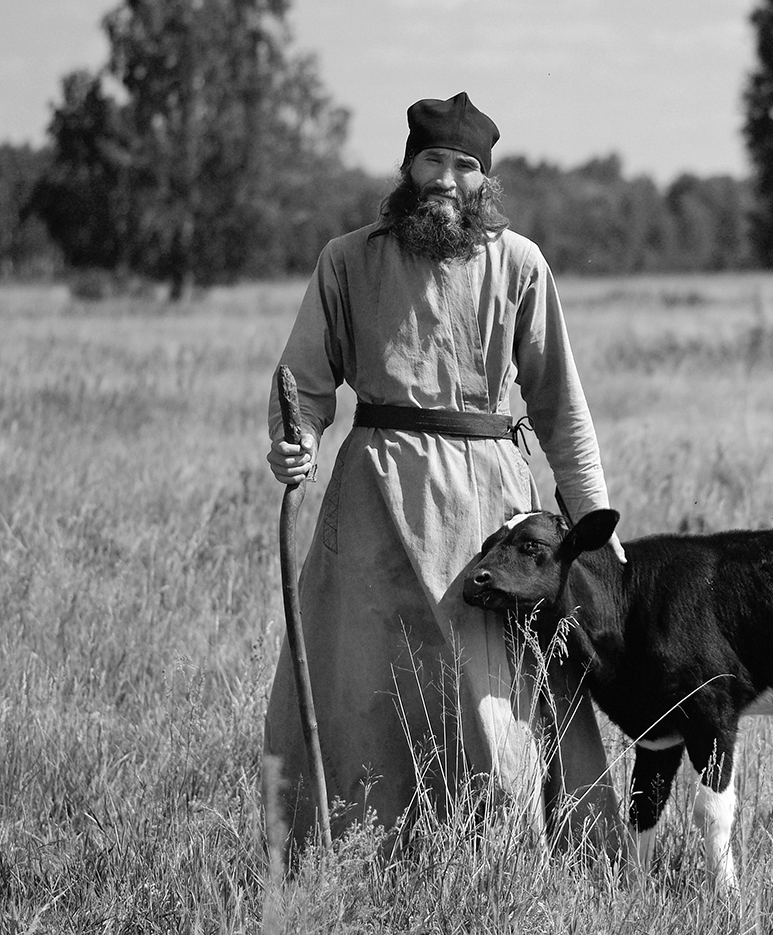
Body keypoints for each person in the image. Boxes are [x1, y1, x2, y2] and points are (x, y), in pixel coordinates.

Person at [263, 91, 623, 859]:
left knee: (495, 698)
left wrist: (595, 528)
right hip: (373, 503)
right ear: (408, 166)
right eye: (434, 160)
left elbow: (562, 406)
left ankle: (498, 860)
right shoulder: (347, 259)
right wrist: (294, 445)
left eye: (465, 166)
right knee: (366, 686)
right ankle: (360, 854)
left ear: (484, 180)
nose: (448, 179)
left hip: (489, 514)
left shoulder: (519, 262)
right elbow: (303, 384)